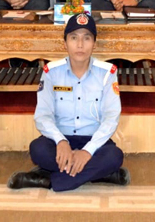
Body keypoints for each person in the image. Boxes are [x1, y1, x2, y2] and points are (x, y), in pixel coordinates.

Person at [7, 14, 129, 191]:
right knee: (38, 149)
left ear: (94, 44)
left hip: (93, 140)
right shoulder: (51, 72)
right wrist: (61, 141)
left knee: (114, 156)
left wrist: (88, 151)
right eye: (74, 38)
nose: (80, 45)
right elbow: (43, 115)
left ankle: (45, 180)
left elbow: (111, 118)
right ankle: (99, 175)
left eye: (86, 38)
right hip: (60, 139)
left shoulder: (107, 73)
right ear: (65, 43)